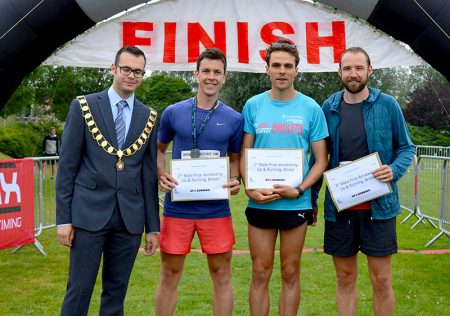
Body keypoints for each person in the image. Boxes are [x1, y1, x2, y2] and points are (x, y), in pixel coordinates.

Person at [55, 46, 160, 316]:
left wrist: (153, 227)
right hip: (88, 214)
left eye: (138, 71)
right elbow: (67, 167)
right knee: (79, 291)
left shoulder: (149, 116)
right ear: (113, 69)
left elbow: (148, 175)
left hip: (130, 219)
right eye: (126, 69)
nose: (132, 76)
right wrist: (64, 220)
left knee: (116, 293)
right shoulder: (84, 106)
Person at [312, 47, 415, 316]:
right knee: (345, 280)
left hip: (379, 210)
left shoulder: (387, 104)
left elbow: (406, 148)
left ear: (370, 70)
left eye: (359, 68)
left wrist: (393, 169)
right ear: (340, 73)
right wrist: (311, 199)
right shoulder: (329, 107)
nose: (353, 74)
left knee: (381, 281)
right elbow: (319, 158)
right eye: (347, 68)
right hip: (340, 209)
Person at [240, 39, 328, 316]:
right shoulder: (253, 106)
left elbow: (321, 160)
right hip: (261, 202)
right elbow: (245, 152)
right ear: (266, 69)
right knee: (260, 271)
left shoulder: (311, 108)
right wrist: (249, 188)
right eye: (275, 65)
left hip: (295, 204)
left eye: (287, 66)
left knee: (290, 272)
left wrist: (300, 190)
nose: (281, 71)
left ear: (296, 70)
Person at [155, 48, 244, 316]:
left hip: (215, 209)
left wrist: (236, 178)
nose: (211, 77)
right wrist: (160, 174)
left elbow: (235, 159)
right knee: (170, 273)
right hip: (177, 207)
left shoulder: (234, 118)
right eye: (206, 71)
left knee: (221, 274)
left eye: (217, 72)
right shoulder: (173, 112)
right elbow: (159, 150)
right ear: (196, 74)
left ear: (225, 77)